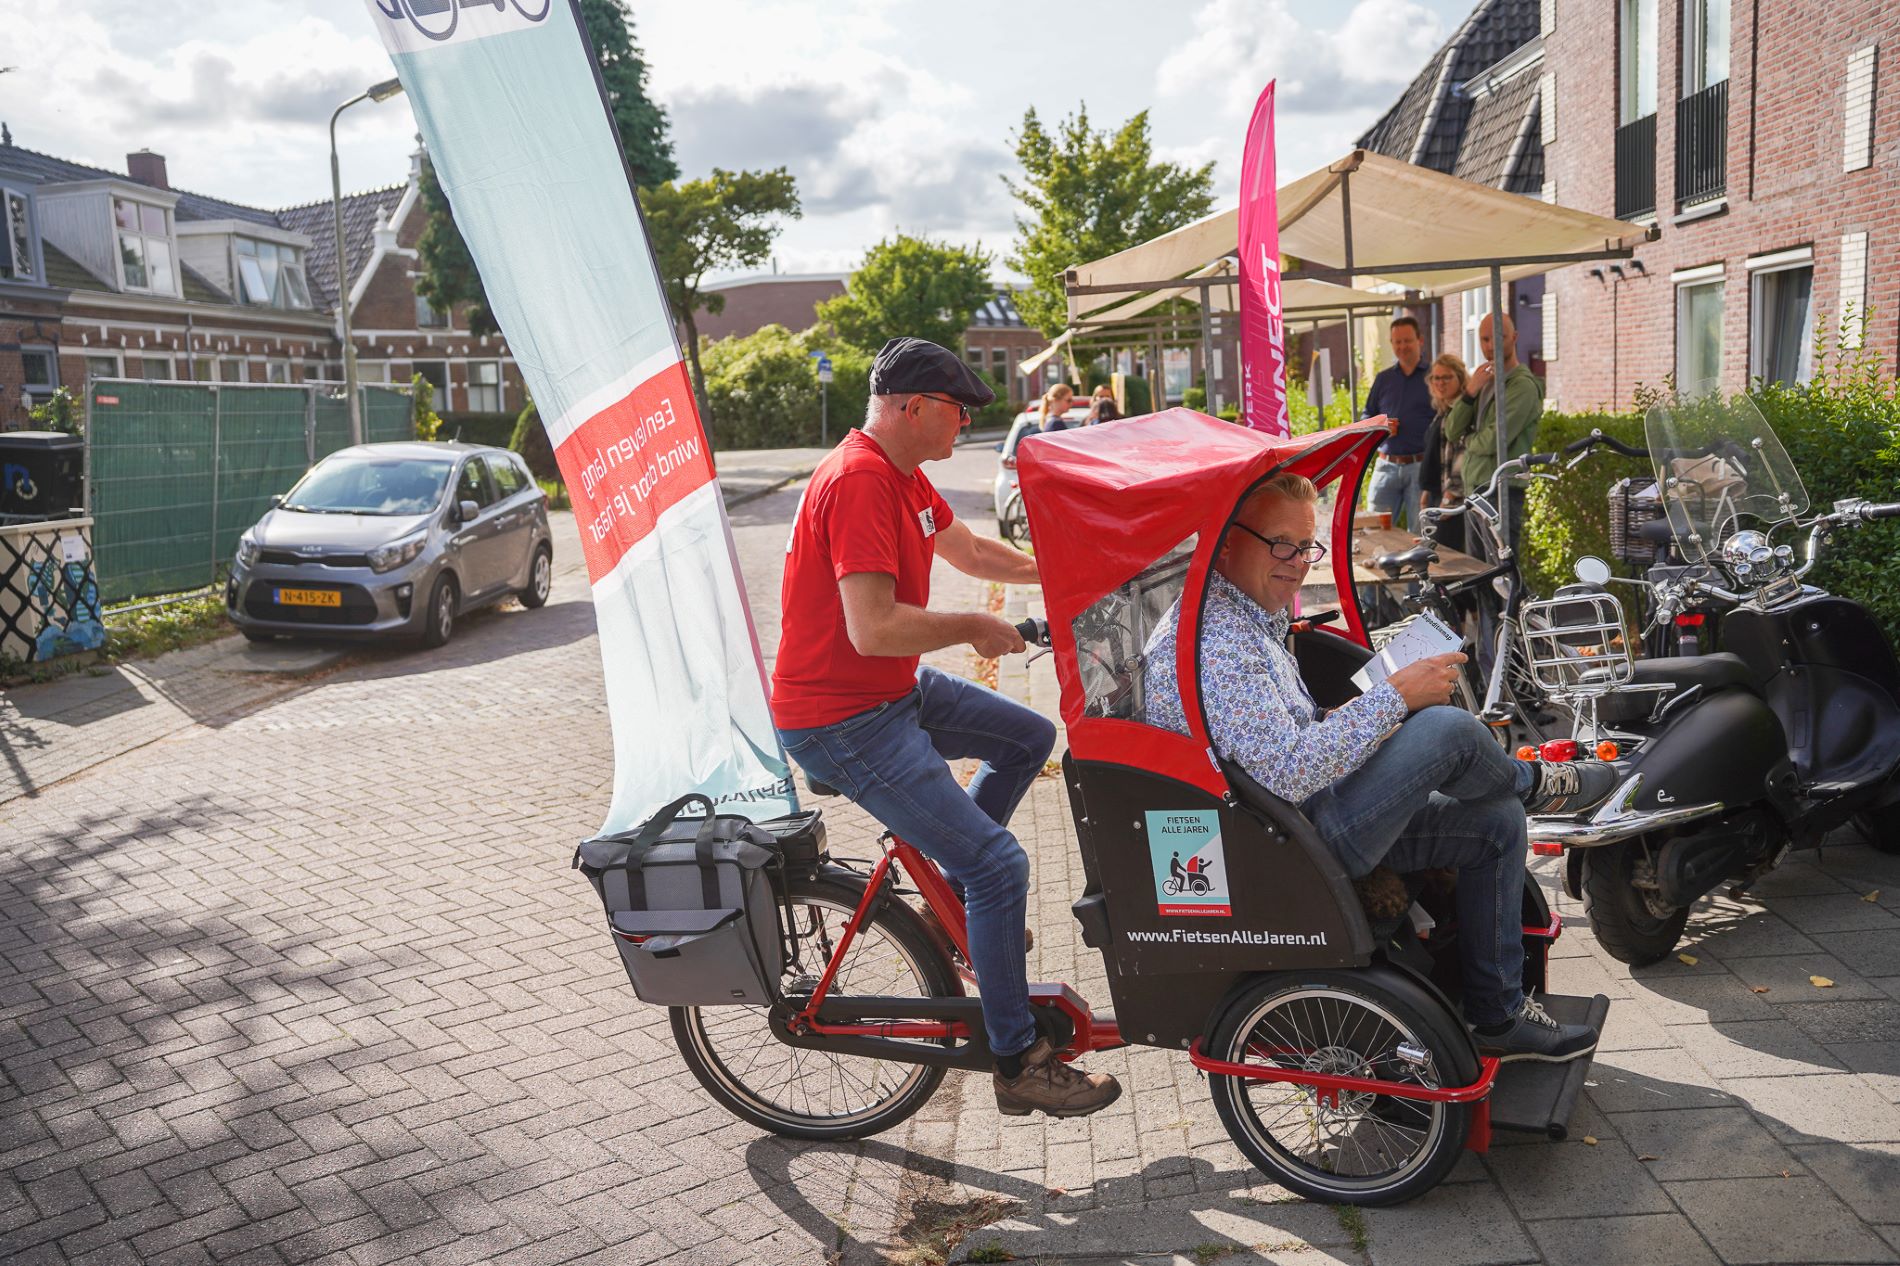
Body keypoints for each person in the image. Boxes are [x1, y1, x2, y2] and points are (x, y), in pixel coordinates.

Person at [1144, 472, 1615, 1062]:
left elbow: (1279, 741)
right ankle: (1538, 785)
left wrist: (1369, 716)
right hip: (1284, 848)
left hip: (1296, 819)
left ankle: (1498, 1017)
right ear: (1226, 540)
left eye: (1306, 546)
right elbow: (1289, 772)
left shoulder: (1238, 614)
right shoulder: (1218, 642)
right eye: (1281, 544)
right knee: (1447, 729)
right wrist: (1393, 698)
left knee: (1494, 823)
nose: (1296, 563)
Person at [772, 336, 1122, 1118]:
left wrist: (1069, 568)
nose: (964, 426)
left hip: (884, 692)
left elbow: (968, 550)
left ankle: (947, 904)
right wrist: (969, 627)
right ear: (913, 406)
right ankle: (1016, 1057)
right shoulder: (861, 479)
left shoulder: (903, 475)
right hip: (842, 717)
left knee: (1027, 738)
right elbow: (871, 628)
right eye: (958, 412)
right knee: (1001, 866)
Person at [1444, 313, 1544, 556]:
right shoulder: (1484, 381)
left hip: (1501, 490)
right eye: (1484, 339)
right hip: (1477, 488)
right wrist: (1469, 392)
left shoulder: (1522, 386)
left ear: (1515, 338)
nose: (1490, 346)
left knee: (1501, 574)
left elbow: (1492, 441)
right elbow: (1451, 430)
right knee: (1479, 573)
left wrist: (1466, 441)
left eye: (1499, 337)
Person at [1361, 317, 1435, 532]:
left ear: (1420, 341)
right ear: (1391, 343)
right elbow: (1367, 416)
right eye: (1397, 342)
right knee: (1373, 529)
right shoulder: (1383, 379)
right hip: (1386, 466)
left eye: (1407, 341)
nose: (1402, 346)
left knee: (1420, 533)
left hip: (1421, 467)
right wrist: (1382, 426)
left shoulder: (1434, 377)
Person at [1418, 353, 1471, 556]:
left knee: (1448, 561)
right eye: (1436, 378)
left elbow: (1461, 456)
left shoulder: (1461, 411)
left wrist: (1448, 500)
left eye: (1447, 377)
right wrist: (1425, 493)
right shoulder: (1443, 410)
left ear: (1460, 378)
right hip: (1437, 496)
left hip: (1452, 502)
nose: (1440, 382)